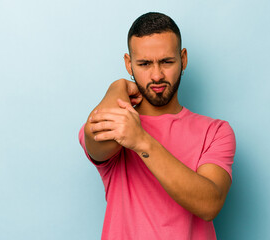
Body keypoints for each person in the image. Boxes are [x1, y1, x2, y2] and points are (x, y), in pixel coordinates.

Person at [78, 12, 236, 240]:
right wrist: (117, 87)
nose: (157, 75)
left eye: (166, 62)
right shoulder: (118, 125)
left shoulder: (216, 131)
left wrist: (141, 140)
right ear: (128, 64)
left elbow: (209, 204)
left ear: (183, 58)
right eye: (144, 64)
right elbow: (98, 139)